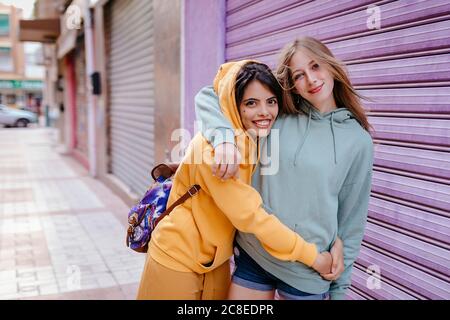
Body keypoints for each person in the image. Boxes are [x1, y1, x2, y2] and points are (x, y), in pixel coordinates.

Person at [136, 60, 336, 300]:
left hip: (216, 260)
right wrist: (313, 257)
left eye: (271, 101)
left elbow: (211, 92)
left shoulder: (250, 136)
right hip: (176, 255)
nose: (264, 112)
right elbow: (252, 217)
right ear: (234, 104)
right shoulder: (216, 154)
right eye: (251, 103)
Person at [195, 36, 373, 300]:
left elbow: (351, 221)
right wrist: (223, 140)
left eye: (315, 67)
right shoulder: (276, 113)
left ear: (330, 65)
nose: (311, 80)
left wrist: (339, 291)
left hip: (308, 270)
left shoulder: (358, 141)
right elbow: (209, 94)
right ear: (292, 84)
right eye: (299, 75)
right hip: (255, 256)